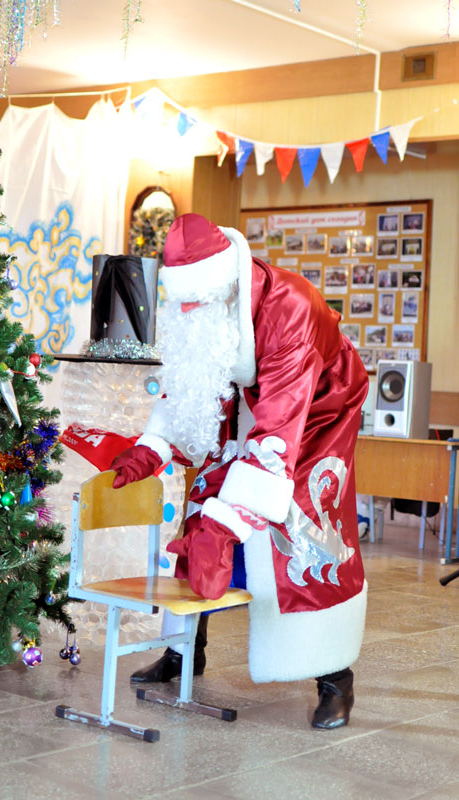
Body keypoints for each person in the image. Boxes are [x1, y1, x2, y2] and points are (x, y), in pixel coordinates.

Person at [111, 213, 369, 729]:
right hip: (249, 399)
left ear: (223, 287)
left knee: (303, 526)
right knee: (204, 501)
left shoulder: (290, 310)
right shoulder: (200, 304)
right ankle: (184, 649)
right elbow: (187, 383)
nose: (189, 313)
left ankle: (334, 676)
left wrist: (227, 527)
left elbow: (276, 437)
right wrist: (152, 447)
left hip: (318, 409)